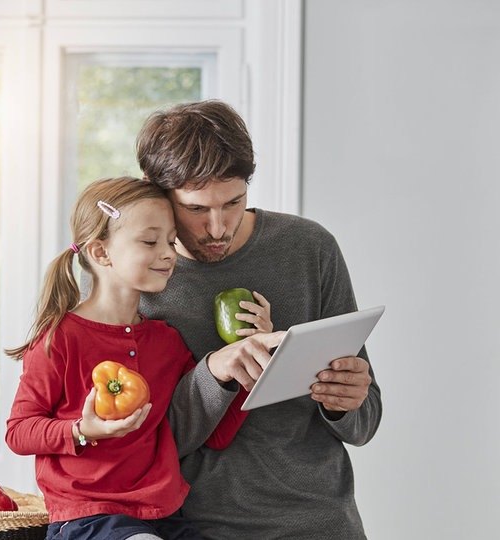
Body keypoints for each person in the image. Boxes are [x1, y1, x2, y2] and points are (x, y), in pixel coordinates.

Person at [137, 100, 382, 539]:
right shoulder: (129, 278)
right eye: (196, 209)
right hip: (194, 530)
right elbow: (131, 444)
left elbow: (365, 423)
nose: (218, 228)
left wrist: (346, 399)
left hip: (322, 525)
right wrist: (213, 373)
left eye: (234, 202)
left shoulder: (309, 248)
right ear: (157, 193)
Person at [5, 177, 271, 540]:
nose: (168, 253)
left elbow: (217, 436)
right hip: (88, 517)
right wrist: (82, 431)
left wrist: (250, 366)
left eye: (170, 241)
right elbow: (18, 432)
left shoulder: (166, 342)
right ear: (101, 253)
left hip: (164, 516)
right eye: (150, 241)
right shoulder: (60, 339)